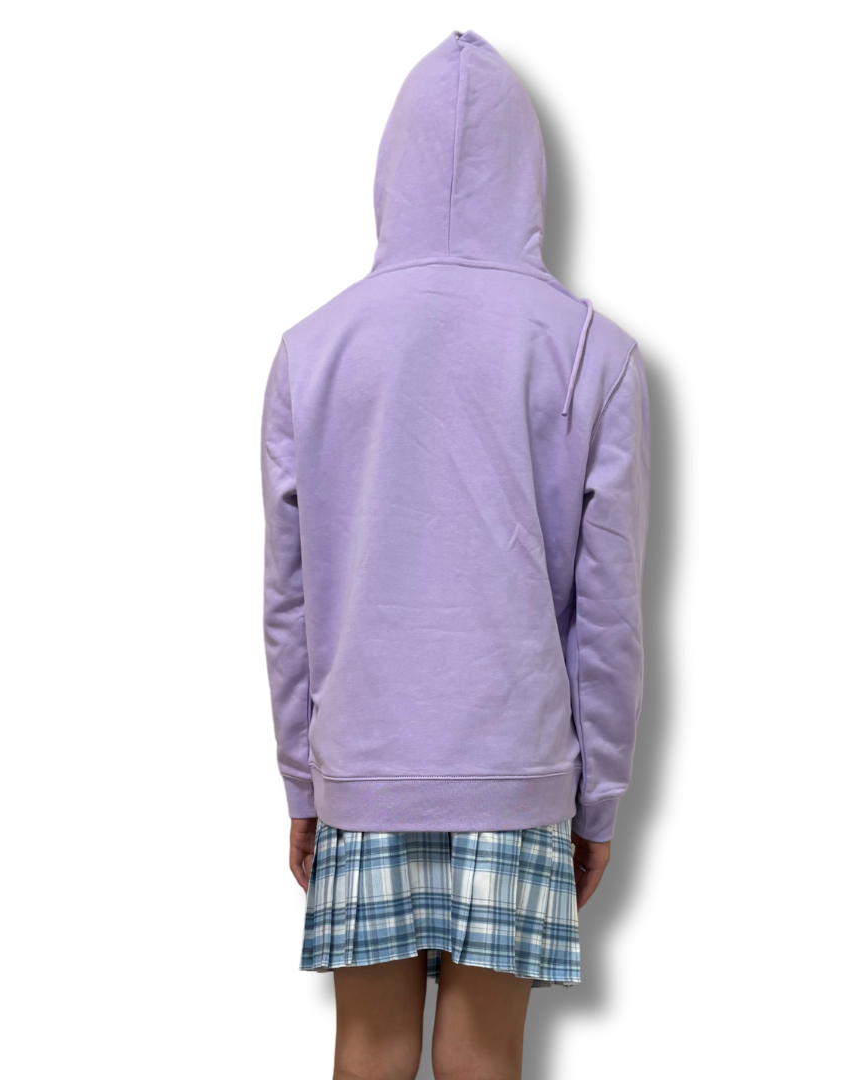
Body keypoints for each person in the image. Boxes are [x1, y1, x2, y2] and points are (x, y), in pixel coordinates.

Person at [260, 28, 652, 1080]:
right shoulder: (592, 353)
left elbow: (290, 602)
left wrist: (305, 782)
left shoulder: (311, 351)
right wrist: (598, 799)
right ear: (529, 173)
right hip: (516, 769)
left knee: (370, 1049)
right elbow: (609, 615)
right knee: (483, 1057)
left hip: (366, 766)